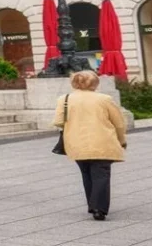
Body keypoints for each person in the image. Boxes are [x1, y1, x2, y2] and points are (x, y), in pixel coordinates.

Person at [54, 69, 128, 221]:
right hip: (102, 141)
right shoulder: (104, 99)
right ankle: (99, 209)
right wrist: (121, 140)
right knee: (101, 175)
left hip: (76, 142)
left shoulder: (65, 98)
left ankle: (92, 204)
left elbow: (58, 121)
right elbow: (119, 123)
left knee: (86, 174)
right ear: (95, 83)